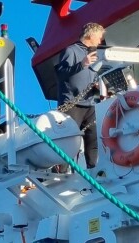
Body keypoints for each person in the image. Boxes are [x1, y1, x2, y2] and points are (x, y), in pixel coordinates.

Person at [54, 22, 105, 169]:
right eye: (99, 37)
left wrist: (96, 87)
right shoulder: (71, 51)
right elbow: (60, 74)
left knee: (93, 138)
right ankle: (60, 174)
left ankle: (93, 171)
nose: (100, 41)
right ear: (91, 35)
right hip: (71, 105)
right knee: (67, 140)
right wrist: (82, 64)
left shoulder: (93, 54)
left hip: (89, 103)